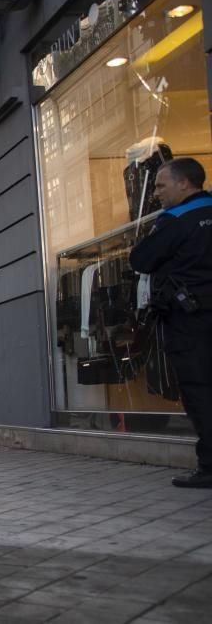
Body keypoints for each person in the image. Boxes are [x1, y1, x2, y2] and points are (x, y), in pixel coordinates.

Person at [130, 157, 212, 488]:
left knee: (199, 390)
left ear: (184, 183)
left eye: (161, 185)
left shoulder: (176, 220)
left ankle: (209, 467)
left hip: (190, 320)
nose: (156, 194)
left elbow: (141, 259)